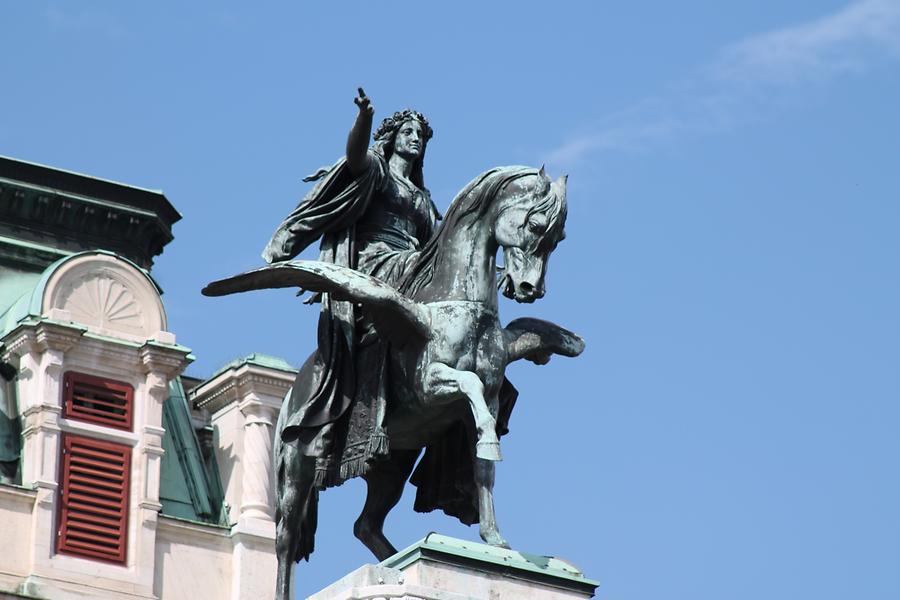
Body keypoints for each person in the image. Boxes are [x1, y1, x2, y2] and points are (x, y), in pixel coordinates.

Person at [262, 89, 441, 487]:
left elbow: (438, 248)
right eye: (409, 132)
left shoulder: (423, 199)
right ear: (392, 137)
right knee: (418, 267)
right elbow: (356, 156)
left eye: (421, 136)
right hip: (377, 263)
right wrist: (364, 118)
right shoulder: (377, 171)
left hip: (411, 267)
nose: (416, 139)